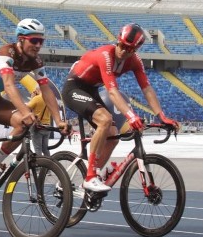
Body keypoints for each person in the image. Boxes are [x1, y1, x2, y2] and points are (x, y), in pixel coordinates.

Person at [0, 18, 68, 225]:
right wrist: (26, 110)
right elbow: (9, 85)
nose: (37, 45)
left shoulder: (36, 62)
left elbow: (46, 91)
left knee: (24, 124)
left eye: (41, 41)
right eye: (34, 40)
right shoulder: (6, 53)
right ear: (21, 39)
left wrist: (59, 119)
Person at [61, 23, 179, 193]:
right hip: (74, 88)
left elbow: (146, 88)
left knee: (113, 136)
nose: (124, 51)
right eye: (122, 45)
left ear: (135, 50)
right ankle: (90, 178)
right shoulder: (106, 55)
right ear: (118, 40)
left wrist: (161, 115)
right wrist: (131, 116)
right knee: (105, 119)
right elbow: (112, 91)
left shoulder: (134, 61)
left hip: (92, 90)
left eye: (129, 49)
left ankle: (92, 177)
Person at [25, 86, 53, 155]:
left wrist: (32, 98)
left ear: (37, 90)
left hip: (38, 127)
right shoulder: (49, 98)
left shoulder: (37, 98)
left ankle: (39, 164)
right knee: (45, 149)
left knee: (38, 149)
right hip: (47, 126)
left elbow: (26, 108)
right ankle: (49, 164)